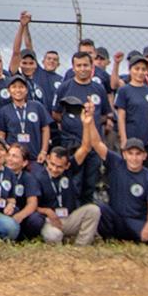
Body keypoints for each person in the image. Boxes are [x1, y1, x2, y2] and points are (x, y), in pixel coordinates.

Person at [88, 97, 148, 242]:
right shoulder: (116, 163)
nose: (134, 158)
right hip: (117, 218)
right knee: (101, 208)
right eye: (130, 153)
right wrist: (90, 121)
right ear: (124, 154)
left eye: (138, 154)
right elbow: (96, 143)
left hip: (136, 221)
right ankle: (109, 238)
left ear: (144, 156)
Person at [33, 103, 101, 246]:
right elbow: (31, 205)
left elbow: (85, 148)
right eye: (52, 164)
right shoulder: (38, 176)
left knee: (93, 210)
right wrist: (47, 211)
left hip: (69, 218)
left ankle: (80, 247)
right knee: (54, 235)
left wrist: (87, 124)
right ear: (47, 160)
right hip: (50, 220)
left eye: (59, 167)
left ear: (67, 165)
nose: (54, 169)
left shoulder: (69, 170)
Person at [114, 53, 148, 171]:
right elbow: (121, 117)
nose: (140, 72)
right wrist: (124, 139)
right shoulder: (124, 90)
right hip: (132, 141)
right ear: (130, 70)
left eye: (143, 69)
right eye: (137, 68)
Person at [0, 74, 52, 163]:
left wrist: (44, 152)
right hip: (13, 159)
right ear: (9, 90)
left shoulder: (37, 106)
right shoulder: (4, 110)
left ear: (26, 90)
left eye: (21, 87)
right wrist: (7, 149)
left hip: (35, 157)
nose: (18, 90)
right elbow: (1, 135)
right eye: (14, 87)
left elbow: (45, 129)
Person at [4, 144, 43, 240]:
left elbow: (32, 203)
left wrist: (20, 216)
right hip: (3, 212)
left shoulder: (28, 178)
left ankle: (24, 239)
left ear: (24, 162)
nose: (10, 159)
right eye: (8, 155)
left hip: (21, 214)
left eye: (15, 156)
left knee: (36, 219)